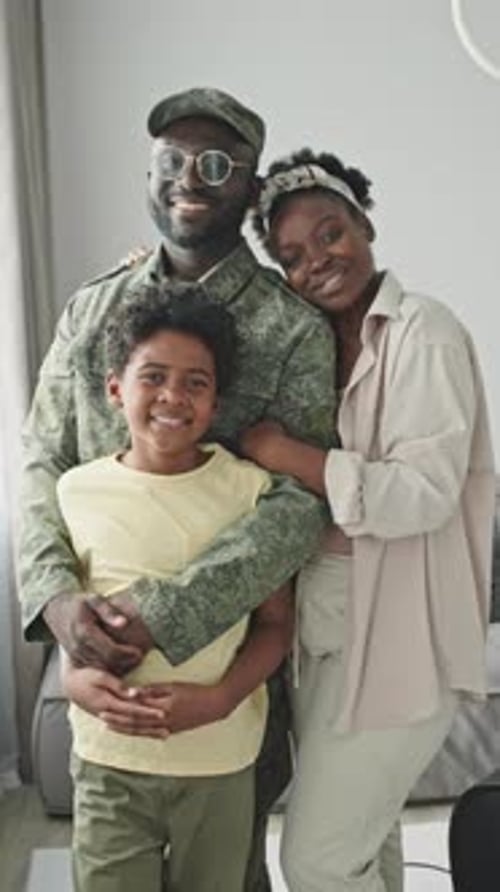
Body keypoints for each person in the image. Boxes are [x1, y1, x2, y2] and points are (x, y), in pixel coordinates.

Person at [18, 90, 336, 891]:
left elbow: (299, 504)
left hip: (228, 681)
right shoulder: (92, 309)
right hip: (96, 660)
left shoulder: (293, 327)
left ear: (251, 188)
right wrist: (58, 603)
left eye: (218, 163)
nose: (189, 178)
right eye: (172, 161)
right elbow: (41, 463)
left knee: (230, 874)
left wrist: (163, 615)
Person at [241, 148, 496, 892]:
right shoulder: (311, 344)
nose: (317, 261)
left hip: (401, 635)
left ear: (364, 223)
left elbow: (423, 492)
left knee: (316, 861)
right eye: (292, 255)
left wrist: (283, 453)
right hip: (323, 634)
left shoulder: (426, 332)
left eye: (330, 234)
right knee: (368, 842)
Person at [58, 283, 294, 892]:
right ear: (115, 389)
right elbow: (75, 618)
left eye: (196, 383)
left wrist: (219, 700)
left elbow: (274, 624)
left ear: (215, 404)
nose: (173, 396)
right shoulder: (76, 491)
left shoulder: (247, 490)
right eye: (153, 376)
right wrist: (72, 679)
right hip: (109, 760)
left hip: (218, 760)